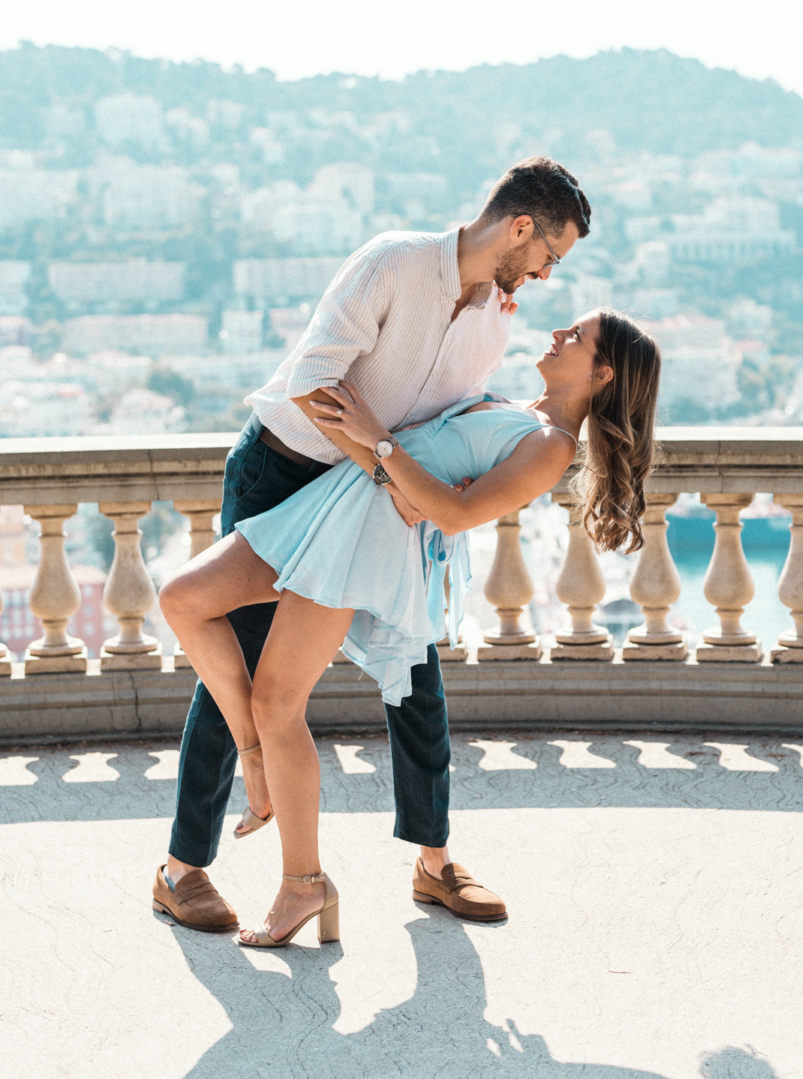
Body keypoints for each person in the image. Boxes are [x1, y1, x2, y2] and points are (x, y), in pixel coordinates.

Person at [150, 156, 591, 934]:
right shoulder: (392, 263)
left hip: (375, 501)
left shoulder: (496, 321)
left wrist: (401, 480)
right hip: (284, 476)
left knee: (414, 671)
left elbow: (447, 425)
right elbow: (314, 388)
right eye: (549, 256)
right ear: (519, 228)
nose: (547, 275)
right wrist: (387, 468)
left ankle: (433, 859)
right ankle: (183, 869)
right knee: (246, 666)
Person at [160, 308, 660, 947]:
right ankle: (253, 758)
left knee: (276, 702)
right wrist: (391, 462)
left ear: (602, 372)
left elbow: (452, 513)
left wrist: (379, 439)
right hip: (330, 505)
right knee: (182, 598)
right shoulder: (518, 409)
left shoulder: (551, 446)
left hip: (359, 541)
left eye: (578, 337)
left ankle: (302, 883)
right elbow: (427, 484)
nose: (560, 334)